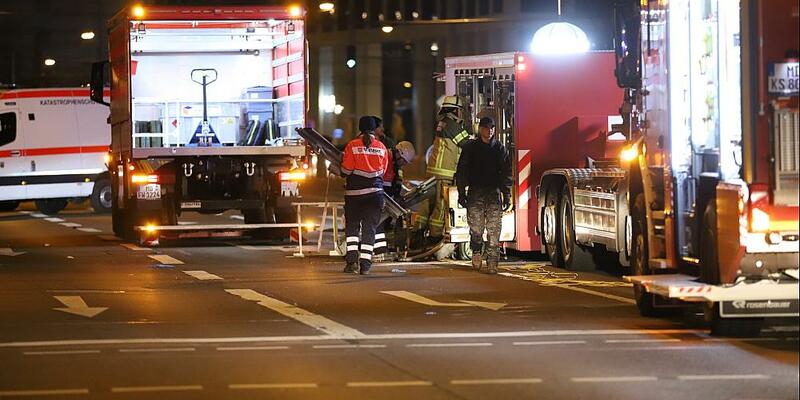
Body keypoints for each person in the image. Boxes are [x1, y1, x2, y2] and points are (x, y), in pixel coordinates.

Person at [455, 116, 512, 274]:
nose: (490, 131)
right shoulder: (471, 148)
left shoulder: (499, 149)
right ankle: (476, 250)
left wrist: (507, 194)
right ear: (481, 129)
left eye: (492, 128)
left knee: (494, 230)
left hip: (493, 193)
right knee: (477, 228)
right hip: (476, 192)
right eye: (487, 128)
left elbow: (506, 173)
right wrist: (461, 192)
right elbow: (462, 170)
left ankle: (492, 260)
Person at [340, 116, 390, 275]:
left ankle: (352, 263)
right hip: (375, 195)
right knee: (370, 229)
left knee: (352, 229)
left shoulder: (352, 145)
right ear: (374, 129)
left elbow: (346, 171)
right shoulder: (382, 147)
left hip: (354, 194)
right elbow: (382, 171)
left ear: (360, 128)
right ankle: (366, 265)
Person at [417, 95, 471, 239]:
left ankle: (419, 233)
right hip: (444, 173)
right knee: (441, 206)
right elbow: (467, 144)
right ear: (456, 110)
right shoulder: (452, 125)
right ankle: (434, 237)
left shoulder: (443, 123)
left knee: (428, 204)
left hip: (434, 171)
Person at [374, 141, 416, 256]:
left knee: (382, 221)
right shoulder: (385, 158)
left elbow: (396, 183)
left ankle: (380, 249)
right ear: (399, 154)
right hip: (378, 196)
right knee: (377, 222)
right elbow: (385, 185)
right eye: (404, 161)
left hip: (384, 197)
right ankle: (379, 250)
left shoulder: (395, 165)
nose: (403, 164)